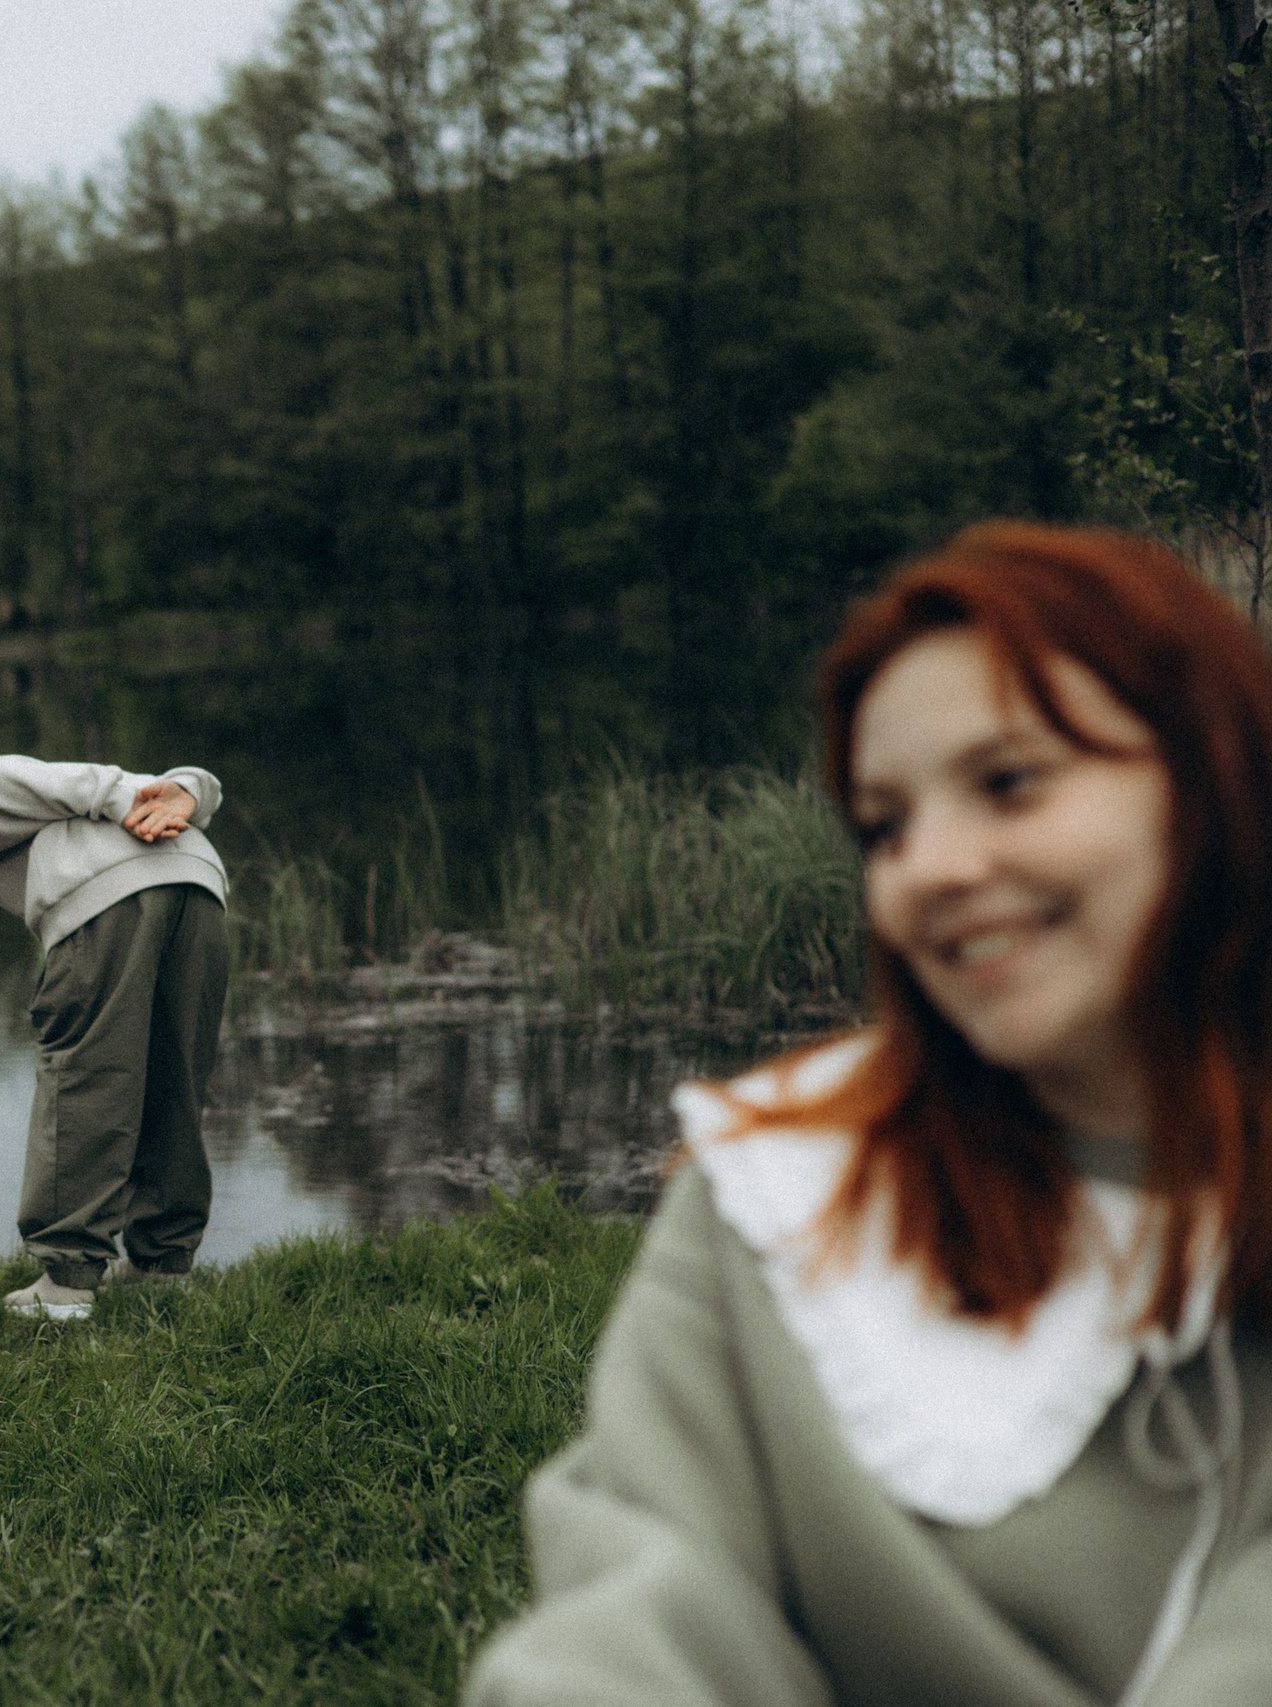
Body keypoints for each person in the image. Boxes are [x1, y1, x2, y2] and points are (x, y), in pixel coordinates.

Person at [464, 522, 1272, 1707]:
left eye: (1009, 782)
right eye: (883, 825)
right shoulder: (776, 1198)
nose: (928, 868)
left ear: (1210, 776)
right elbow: (640, 1605)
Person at [0, 750, 230, 1321]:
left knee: (86, 1078)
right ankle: (163, 1262)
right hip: (200, 886)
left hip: (116, 901)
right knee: (174, 1080)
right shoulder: (68, 817)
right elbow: (195, 784)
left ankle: (67, 1280)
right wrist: (186, 788)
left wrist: (121, 798)